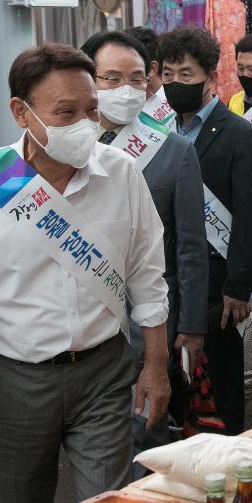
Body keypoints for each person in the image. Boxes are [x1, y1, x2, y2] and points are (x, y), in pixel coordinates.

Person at [0, 44, 170, 503]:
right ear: (22, 112)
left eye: (90, 110)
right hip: (15, 384)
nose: (85, 123)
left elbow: (148, 279)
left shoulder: (120, 174)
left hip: (103, 375)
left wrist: (156, 369)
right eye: (66, 113)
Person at [80, 31, 207, 465]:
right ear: (89, 80)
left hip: (148, 321)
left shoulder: (174, 151)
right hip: (82, 321)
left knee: (143, 437)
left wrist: (190, 326)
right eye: (111, 79)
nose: (125, 90)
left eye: (136, 79)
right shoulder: (63, 147)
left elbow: (190, 246)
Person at [160, 26, 252, 435]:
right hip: (171, 277)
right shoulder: (159, 133)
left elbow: (248, 214)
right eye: (168, 74)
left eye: (185, 75)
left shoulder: (240, 134)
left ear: (208, 75)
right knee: (174, 388)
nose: (175, 84)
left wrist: (238, 286)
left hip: (219, 287)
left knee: (219, 389)